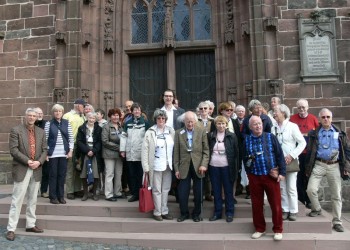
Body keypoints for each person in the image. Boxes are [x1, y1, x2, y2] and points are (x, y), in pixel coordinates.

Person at [6, 108, 48, 241]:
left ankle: (30, 224)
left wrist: (39, 162)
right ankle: (11, 229)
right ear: (25, 116)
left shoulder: (41, 132)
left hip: (36, 169)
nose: (31, 117)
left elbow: (45, 150)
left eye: (33, 116)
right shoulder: (16, 130)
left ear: (37, 117)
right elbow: (13, 150)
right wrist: (28, 161)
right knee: (17, 200)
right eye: (29, 115)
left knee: (33, 199)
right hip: (22, 168)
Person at [305, 108, 350, 232]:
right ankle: (317, 208)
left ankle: (337, 221)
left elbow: (347, 151)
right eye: (323, 117)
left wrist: (346, 167)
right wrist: (308, 167)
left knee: (336, 195)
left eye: (328, 117)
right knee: (311, 190)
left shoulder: (340, 133)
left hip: (334, 166)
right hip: (319, 164)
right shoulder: (314, 133)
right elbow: (309, 151)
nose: (325, 119)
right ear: (319, 119)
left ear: (331, 118)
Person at [243, 115, 286, 241]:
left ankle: (278, 229)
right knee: (256, 204)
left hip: (270, 176)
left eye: (260, 123)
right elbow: (245, 158)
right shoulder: (247, 140)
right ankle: (259, 228)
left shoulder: (270, 137)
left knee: (275, 204)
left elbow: (280, 155)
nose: (258, 126)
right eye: (255, 124)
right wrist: (248, 172)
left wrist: (282, 173)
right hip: (255, 176)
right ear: (250, 127)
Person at [272, 104, 306, 221]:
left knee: (291, 187)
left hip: (290, 161)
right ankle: (285, 209)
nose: (274, 113)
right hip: (278, 162)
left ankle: (293, 211)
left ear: (283, 113)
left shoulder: (292, 126)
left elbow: (302, 143)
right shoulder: (273, 127)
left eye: (276, 111)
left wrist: (292, 155)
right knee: (281, 187)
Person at [174, 111, 209, 222]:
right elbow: (176, 153)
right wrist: (176, 169)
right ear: (184, 121)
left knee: (198, 192)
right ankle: (184, 213)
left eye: (192, 121)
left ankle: (196, 214)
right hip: (184, 166)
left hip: (198, 166)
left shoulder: (201, 131)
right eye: (187, 121)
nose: (190, 123)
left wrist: (204, 164)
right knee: (183, 192)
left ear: (195, 121)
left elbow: (206, 150)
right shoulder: (178, 133)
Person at [141, 109, 175, 221]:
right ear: (155, 119)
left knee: (166, 189)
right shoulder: (150, 132)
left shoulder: (171, 131)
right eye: (159, 118)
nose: (161, 120)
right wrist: (145, 167)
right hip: (155, 165)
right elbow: (145, 151)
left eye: (163, 118)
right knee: (156, 190)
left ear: (166, 119)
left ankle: (164, 211)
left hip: (168, 165)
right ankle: (157, 212)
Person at [208, 116, 239, 223]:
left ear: (226, 125)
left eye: (223, 124)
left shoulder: (232, 136)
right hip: (213, 166)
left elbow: (236, 153)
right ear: (215, 125)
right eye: (218, 124)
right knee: (216, 191)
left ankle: (229, 213)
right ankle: (217, 213)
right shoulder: (211, 135)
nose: (221, 126)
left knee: (228, 191)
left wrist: (236, 168)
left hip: (227, 167)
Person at [290, 98, 319, 209]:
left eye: (303, 107)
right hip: (297, 153)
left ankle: (309, 200)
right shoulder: (293, 119)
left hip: (310, 153)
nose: (301, 109)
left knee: (309, 177)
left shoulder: (313, 118)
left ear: (307, 107)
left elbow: (317, 134)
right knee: (298, 177)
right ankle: (301, 200)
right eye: (299, 107)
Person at [120, 103, 150, 202]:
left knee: (140, 174)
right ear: (132, 112)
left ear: (141, 111)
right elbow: (123, 137)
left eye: (138, 109)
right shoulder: (127, 123)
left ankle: (141, 193)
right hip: (130, 153)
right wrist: (122, 150)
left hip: (141, 153)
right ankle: (134, 193)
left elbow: (148, 138)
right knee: (131, 174)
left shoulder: (145, 123)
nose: (136, 111)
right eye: (135, 110)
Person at [44, 104, 74, 204]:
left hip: (64, 153)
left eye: (60, 111)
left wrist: (70, 151)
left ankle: (60, 196)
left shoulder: (66, 123)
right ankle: (53, 197)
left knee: (62, 175)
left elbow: (71, 138)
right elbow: (45, 139)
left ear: (62, 112)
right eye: (56, 111)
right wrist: (46, 153)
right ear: (53, 112)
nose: (58, 113)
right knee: (53, 175)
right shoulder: (49, 123)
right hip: (52, 153)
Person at [63, 98, 86, 200]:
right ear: (78, 106)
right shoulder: (67, 116)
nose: (84, 108)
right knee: (70, 168)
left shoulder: (83, 117)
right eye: (83, 106)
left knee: (78, 168)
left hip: (80, 145)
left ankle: (77, 189)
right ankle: (69, 191)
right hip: (70, 145)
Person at [76, 112, 102, 201]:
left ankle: (94, 193)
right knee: (84, 174)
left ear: (95, 119)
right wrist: (87, 151)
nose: (91, 120)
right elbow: (79, 141)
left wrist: (93, 151)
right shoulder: (81, 128)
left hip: (95, 153)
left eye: (93, 118)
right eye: (90, 118)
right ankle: (85, 194)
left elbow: (99, 142)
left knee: (96, 174)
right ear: (87, 118)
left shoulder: (99, 129)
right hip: (85, 153)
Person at [101, 108, 124, 201]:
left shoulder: (121, 127)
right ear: (110, 117)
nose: (115, 117)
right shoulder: (106, 127)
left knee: (119, 173)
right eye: (113, 115)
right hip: (109, 154)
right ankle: (109, 194)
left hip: (119, 155)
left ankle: (117, 192)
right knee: (109, 174)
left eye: (117, 115)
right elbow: (105, 141)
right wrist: (119, 148)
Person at [197, 101, 214, 201]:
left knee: (208, 173)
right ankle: (200, 194)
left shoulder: (213, 121)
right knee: (199, 171)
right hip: (198, 149)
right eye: (201, 108)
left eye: (205, 108)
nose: (203, 110)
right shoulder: (195, 121)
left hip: (210, 149)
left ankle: (208, 193)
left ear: (209, 110)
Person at [34, 107, 49, 198]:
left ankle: (43, 191)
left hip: (44, 152)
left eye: (41, 113)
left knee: (46, 172)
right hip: (33, 152)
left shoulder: (47, 124)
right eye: (38, 113)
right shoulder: (31, 124)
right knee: (34, 172)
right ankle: (34, 191)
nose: (40, 114)